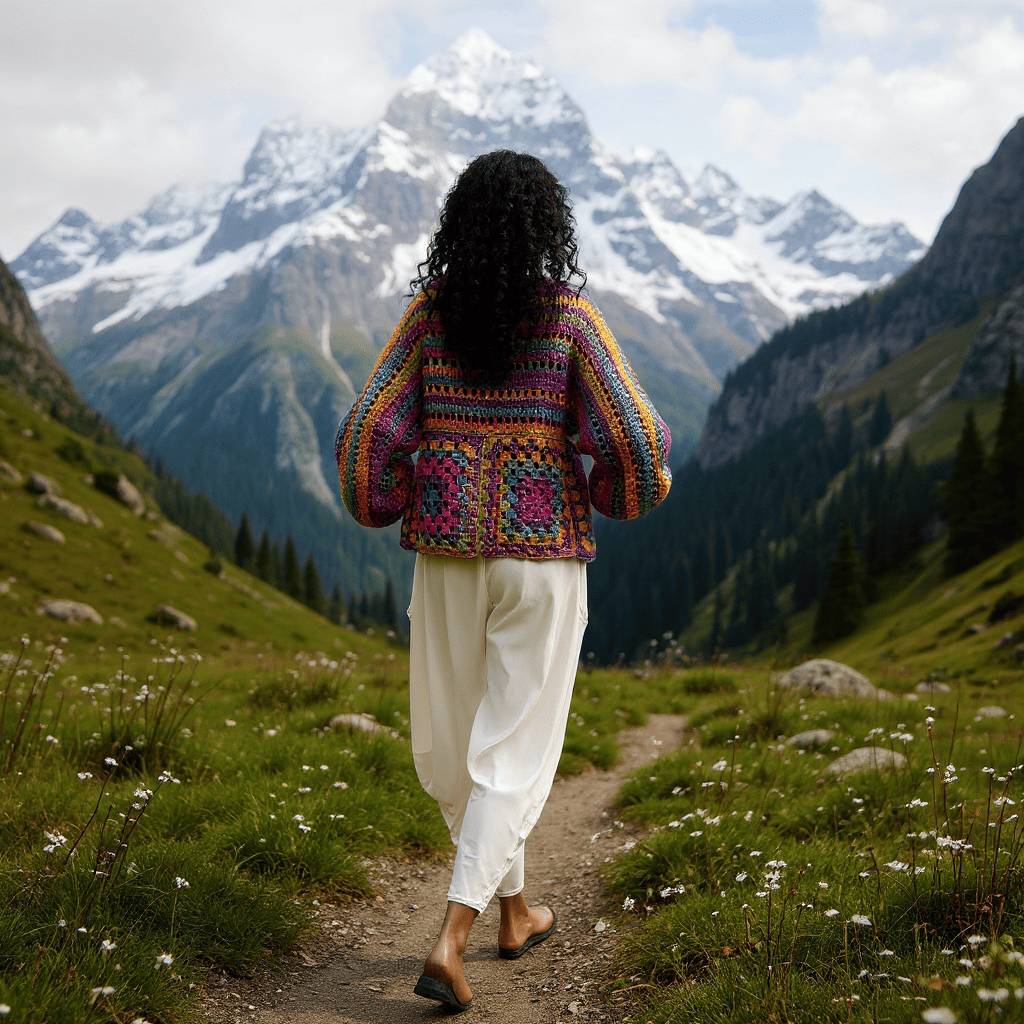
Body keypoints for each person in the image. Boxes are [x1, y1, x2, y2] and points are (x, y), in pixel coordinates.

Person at [335, 149, 671, 1012]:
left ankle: (514, 913)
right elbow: (635, 438)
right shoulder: (569, 320)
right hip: (540, 560)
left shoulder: (428, 318)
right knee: (512, 750)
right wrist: (608, 494)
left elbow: (367, 431)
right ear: (547, 227)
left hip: (447, 559)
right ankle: (455, 937)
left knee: (457, 751)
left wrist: (390, 498)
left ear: (460, 224)